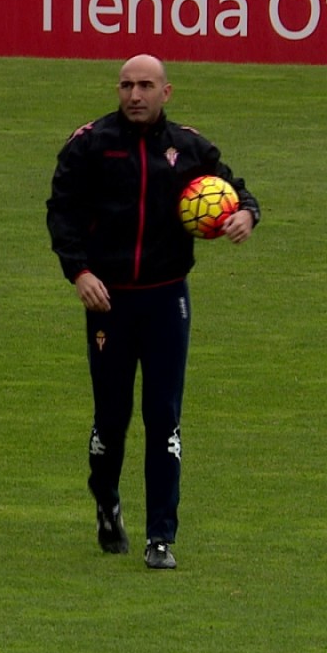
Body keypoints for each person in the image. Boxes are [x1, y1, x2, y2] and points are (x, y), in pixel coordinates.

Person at [45, 54, 260, 570]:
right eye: (126, 85)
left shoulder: (188, 148)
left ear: (167, 93)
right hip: (109, 300)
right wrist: (79, 273)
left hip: (167, 299)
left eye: (145, 86)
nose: (134, 94)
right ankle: (106, 500)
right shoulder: (90, 144)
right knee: (111, 421)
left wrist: (246, 215)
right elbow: (61, 211)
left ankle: (160, 537)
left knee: (164, 419)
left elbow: (239, 190)